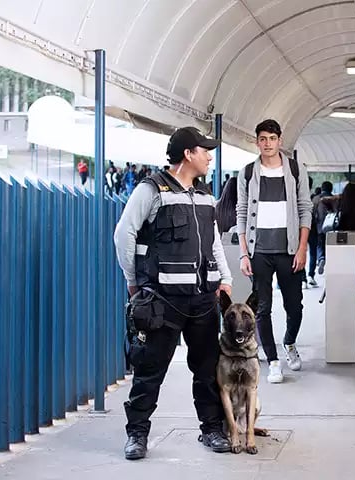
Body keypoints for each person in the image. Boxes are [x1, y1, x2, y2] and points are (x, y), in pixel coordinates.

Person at [113, 126, 234, 460]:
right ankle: (137, 435)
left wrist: (225, 278)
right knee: (150, 370)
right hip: (162, 301)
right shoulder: (151, 190)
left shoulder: (207, 194)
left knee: (208, 369)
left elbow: (213, 242)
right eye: (204, 150)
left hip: (202, 299)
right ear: (187, 154)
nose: (209, 156)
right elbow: (124, 234)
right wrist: (133, 281)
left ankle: (212, 429)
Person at [236, 119, 312, 384]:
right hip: (259, 252)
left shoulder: (295, 169)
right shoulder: (246, 173)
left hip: (289, 250)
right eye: (262, 139)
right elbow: (242, 213)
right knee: (261, 308)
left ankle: (289, 342)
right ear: (257, 142)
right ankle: (273, 360)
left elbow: (305, 209)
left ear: (280, 140)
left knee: (295, 305)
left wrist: (302, 248)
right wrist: (244, 253)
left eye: (272, 138)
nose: (267, 143)